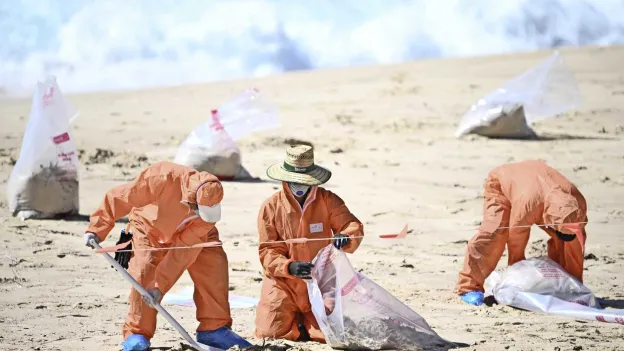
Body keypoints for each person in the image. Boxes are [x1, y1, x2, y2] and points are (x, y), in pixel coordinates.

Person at [83, 161, 252, 351]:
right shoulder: (160, 178)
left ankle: (214, 329)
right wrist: (97, 229)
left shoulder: (206, 216)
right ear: (190, 201)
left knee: (214, 265)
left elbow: (183, 251)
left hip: (191, 232)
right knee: (144, 273)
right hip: (149, 229)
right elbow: (118, 197)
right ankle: (137, 333)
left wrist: (160, 286)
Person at [254, 144, 364, 342]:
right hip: (283, 282)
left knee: (329, 335)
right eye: (293, 181)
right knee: (270, 332)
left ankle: (308, 323)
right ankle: (296, 323)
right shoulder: (270, 206)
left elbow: (351, 225)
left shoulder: (328, 200)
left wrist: (346, 236)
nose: (298, 186)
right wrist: (289, 266)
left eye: (303, 181)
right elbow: (267, 251)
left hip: (321, 280)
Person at [456, 160, 588, 306]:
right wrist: (518, 276)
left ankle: (566, 286)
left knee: (569, 241)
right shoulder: (528, 204)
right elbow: (516, 237)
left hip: (538, 186)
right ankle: (468, 287)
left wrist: (576, 287)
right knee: (493, 234)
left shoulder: (577, 201)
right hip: (503, 184)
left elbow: (576, 244)